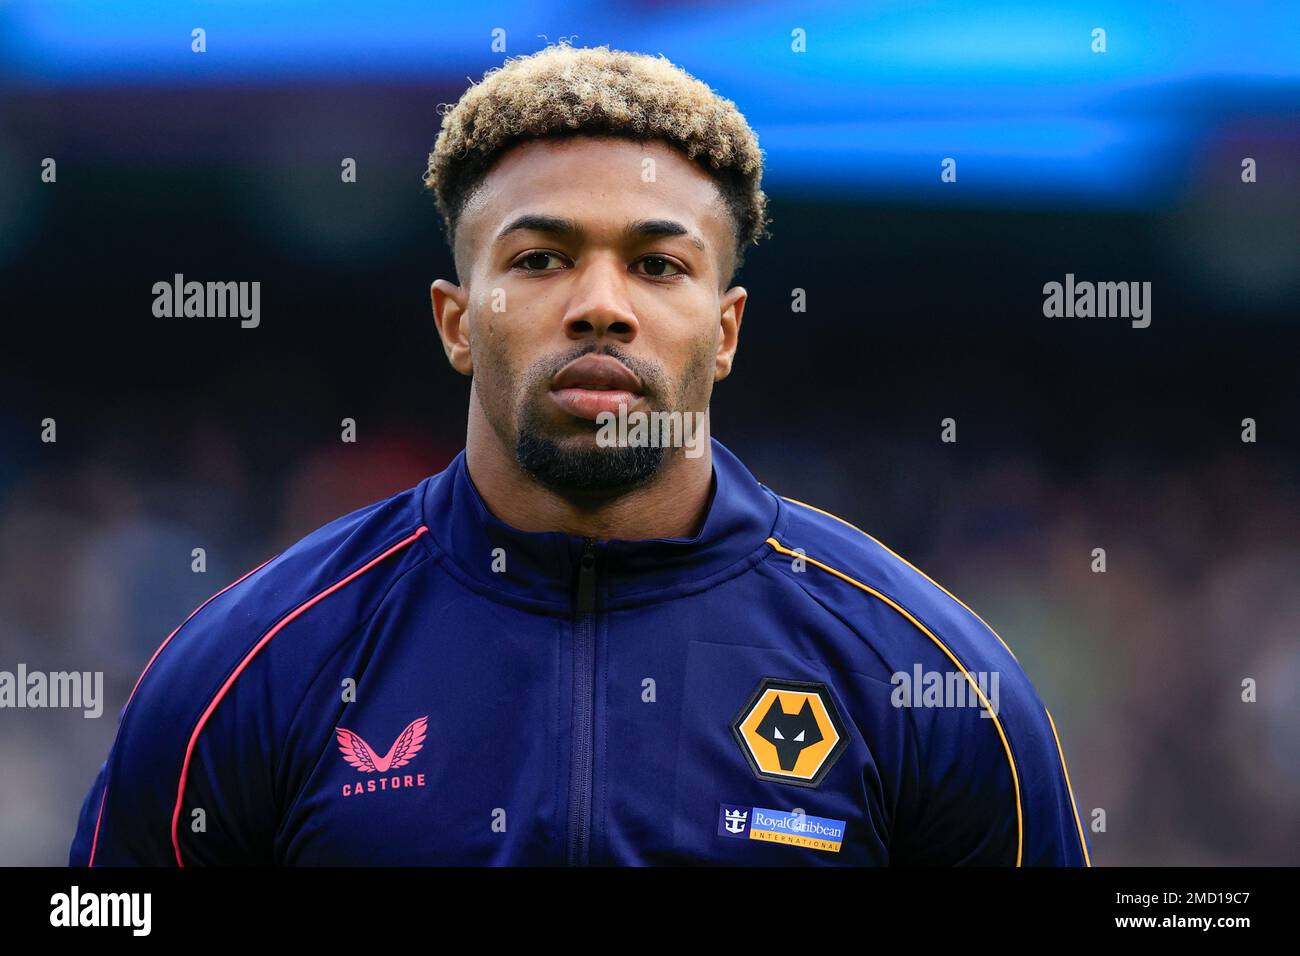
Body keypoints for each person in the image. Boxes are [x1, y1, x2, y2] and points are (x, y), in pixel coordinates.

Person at [70, 42, 1089, 866]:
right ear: (456, 320)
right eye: (541, 258)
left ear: (725, 330)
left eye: (657, 264)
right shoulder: (246, 671)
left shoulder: (932, 678)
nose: (601, 303)